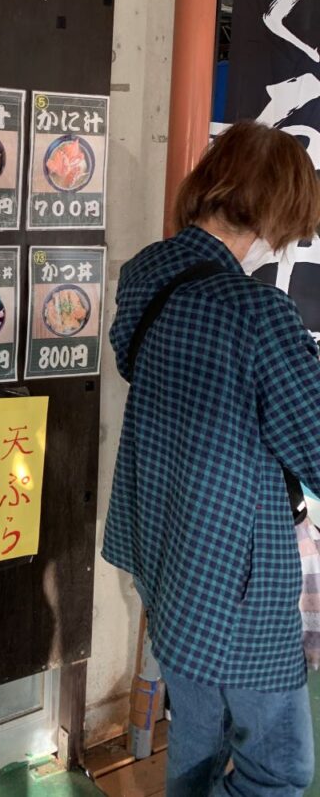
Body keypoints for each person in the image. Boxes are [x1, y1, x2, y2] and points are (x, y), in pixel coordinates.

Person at [102, 121, 320, 796]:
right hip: (236, 584)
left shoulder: (147, 276)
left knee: (196, 745)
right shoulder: (257, 312)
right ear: (276, 205)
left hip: (165, 561)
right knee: (278, 773)